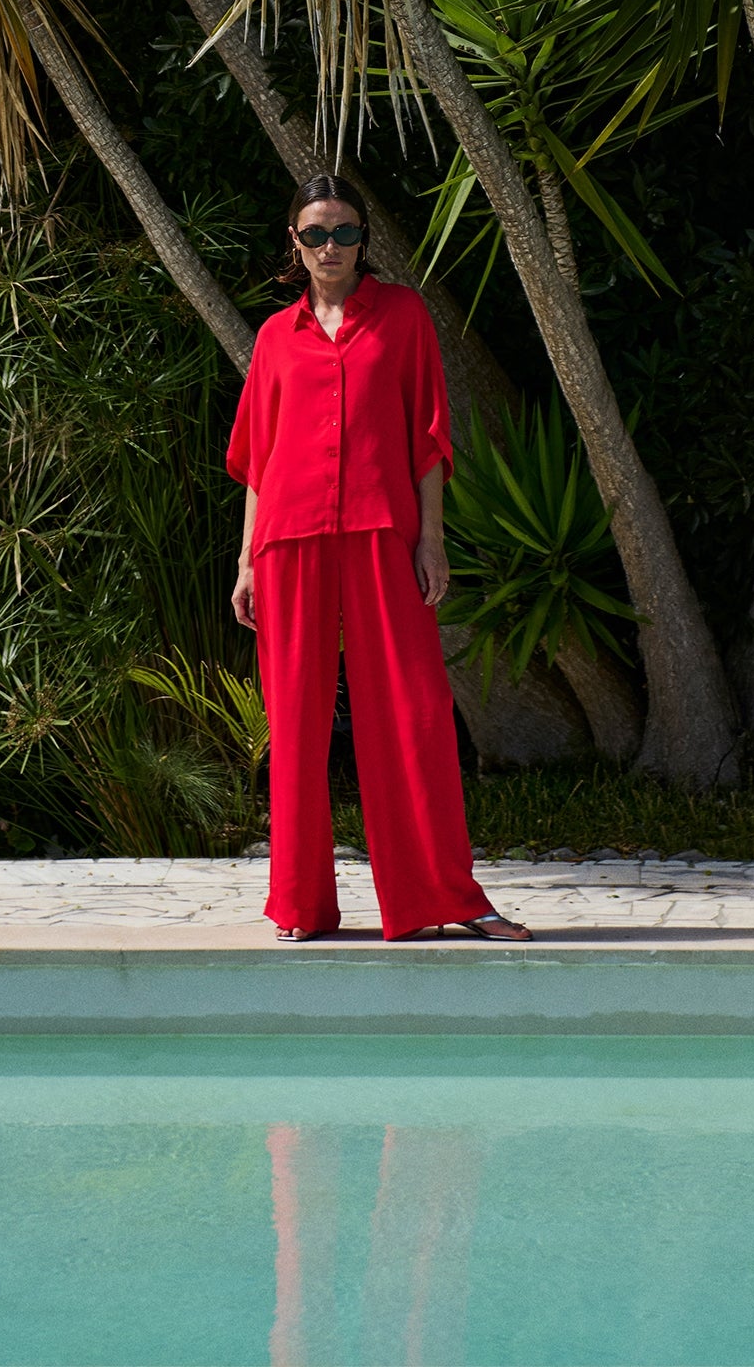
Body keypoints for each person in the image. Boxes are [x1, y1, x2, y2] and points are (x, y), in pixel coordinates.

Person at [230, 173, 532, 945]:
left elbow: (427, 439)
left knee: (411, 713)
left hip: (380, 531)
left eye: (345, 232)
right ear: (294, 244)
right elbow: (258, 461)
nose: (331, 246)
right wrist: (246, 563)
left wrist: (430, 538)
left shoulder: (403, 317)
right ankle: (300, 906)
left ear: (365, 241)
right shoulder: (273, 336)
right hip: (288, 541)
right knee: (294, 724)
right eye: (316, 234)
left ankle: (444, 897)